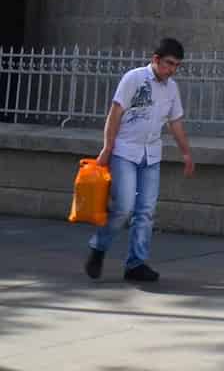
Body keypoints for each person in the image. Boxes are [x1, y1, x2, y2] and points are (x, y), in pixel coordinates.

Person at [82, 38, 195, 284]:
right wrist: (107, 148)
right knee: (124, 207)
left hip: (151, 155)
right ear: (155, 59)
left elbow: (175, 122)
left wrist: (186, 153)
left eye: (176, 65)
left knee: (145, 211)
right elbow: (115, 113)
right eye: (168, 63)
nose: (172, 69)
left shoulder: (171, 88)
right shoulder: (133, 78)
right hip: (125, 152)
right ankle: (99, 249)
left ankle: (136, 264)